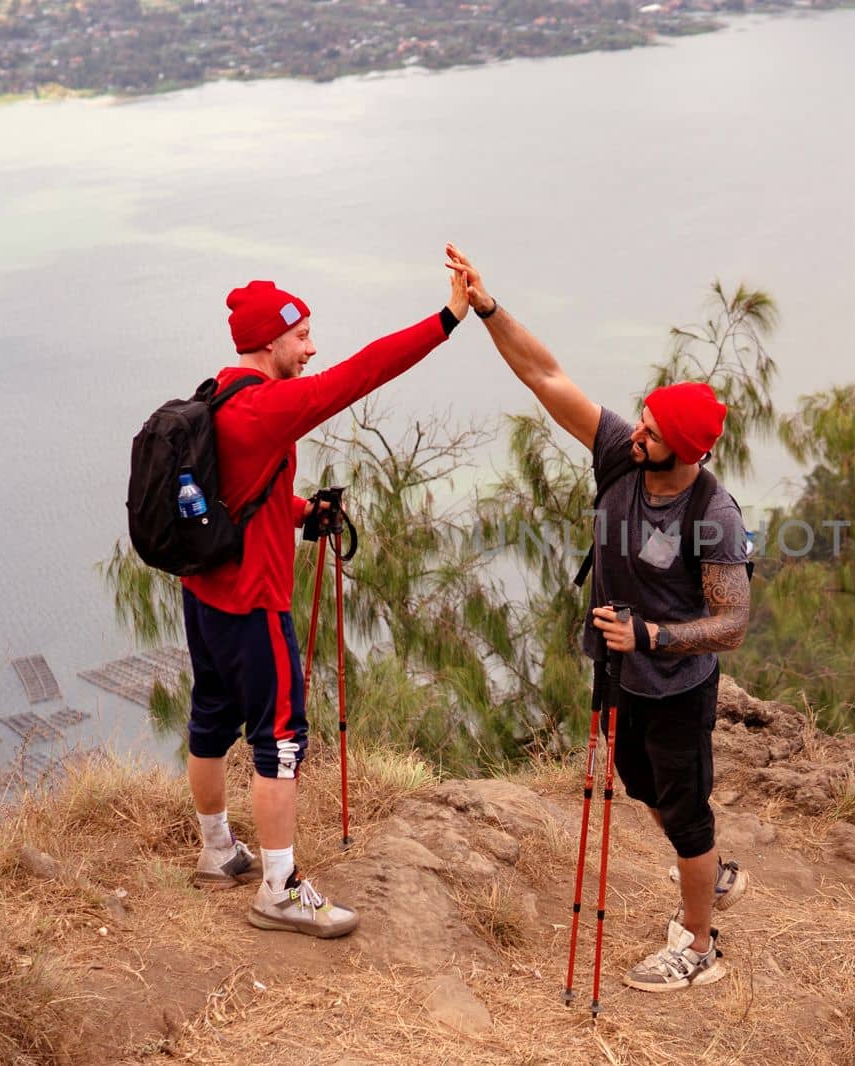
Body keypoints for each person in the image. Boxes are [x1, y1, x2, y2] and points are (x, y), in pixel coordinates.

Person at [446, 243, 752, 992]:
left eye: (648, 430)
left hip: (676, 685)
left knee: (683, 810)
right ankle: (708, 870)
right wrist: (488, 307)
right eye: (639, 422)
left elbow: (733, 622)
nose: (630, 432)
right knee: (646, 789)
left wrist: (655, 636)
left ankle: (699, 944)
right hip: (620, 671)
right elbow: (544, 374)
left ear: (678, 450)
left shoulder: (712, 515)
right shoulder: (622, 455)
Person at [182, 269, 468, 938]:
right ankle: (278, 892)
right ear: (270, 341)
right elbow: (363, 375)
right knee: (281, 741)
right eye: (302, 337)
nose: (311, 351)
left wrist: (302, 511)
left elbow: (240, 496)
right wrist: (448, 318)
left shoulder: (219, 396)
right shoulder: (267, 406)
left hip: (205, 595)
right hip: (255, 605)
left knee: (209, 718)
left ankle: (217, 850)